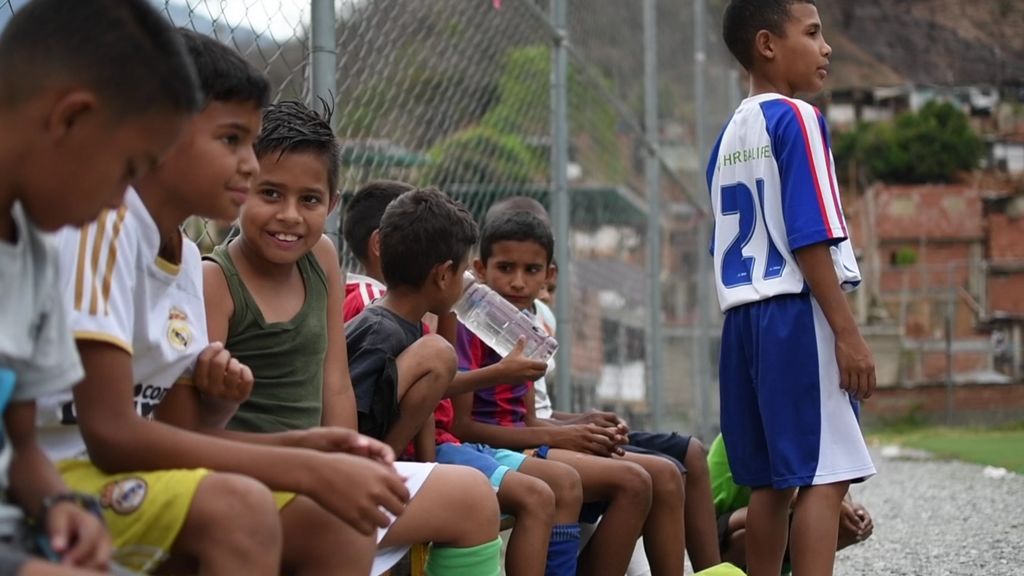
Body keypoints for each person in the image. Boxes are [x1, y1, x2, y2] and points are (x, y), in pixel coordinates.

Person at [35, 30, 401, 575]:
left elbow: (182, 438)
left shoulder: (181, 257)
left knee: (340, 520)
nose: (250, 166)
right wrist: (303, 469)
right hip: (42, 478)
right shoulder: (100, 226)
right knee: (239, 508)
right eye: (231, 141)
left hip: (116, 479)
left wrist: (309, 445)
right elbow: (111, 436)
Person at [199, 103, 502, 576]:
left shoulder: (320, 257)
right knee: (342, 526)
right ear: (240, 188)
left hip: (320, 464)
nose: (289, 216)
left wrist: (345, 461)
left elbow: (335, 382)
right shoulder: (216, 282)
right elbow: (201, 428)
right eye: (270, 193)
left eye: (309, 200)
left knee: (472, 497)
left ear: (333, 203)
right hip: (252, 477)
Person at [0, 0, 200, 572]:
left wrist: (62, 507)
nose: (120, 201)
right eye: (127, 170)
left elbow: (22, 453)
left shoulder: (33, 255)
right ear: (69, 119)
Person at [710, 2, 877, 575]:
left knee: (770, 484)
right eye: (812, 32)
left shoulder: (729, 135)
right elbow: (810, 235)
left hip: (742, 321)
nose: (826, 46)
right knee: (825, 476)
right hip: (795, 318)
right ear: (767, 44)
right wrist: (847, 333)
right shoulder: (798, 119)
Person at [343, 181, 584, 576]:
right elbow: (359, 416)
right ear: (443, 276)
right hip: (360, 472)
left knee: (546, 490)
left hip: (402, 459)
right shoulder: (381, 331)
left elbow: (419, 409)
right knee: (533, 497)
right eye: (463, 274)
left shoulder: (414, 327)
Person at [452, 209, 699, 576]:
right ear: (481, 268)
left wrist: (584, 427)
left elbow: (528, 418)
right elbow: (463, 428)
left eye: (530, 271)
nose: (517, 282)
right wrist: (565, 435)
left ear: (548, 275)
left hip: (524, 442)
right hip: (491, 449)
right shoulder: (468, 325)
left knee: (665, 473)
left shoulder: (529, 326)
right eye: (505, 268)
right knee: (635, 481)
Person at [707, 435, 873, 572]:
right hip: (722, 533)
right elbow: (708, 522)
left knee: (842, 519)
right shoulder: (737, 437)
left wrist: (851, 511)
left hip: (781, 518)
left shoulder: (810, 429)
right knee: (770, 505)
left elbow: (830, 478)